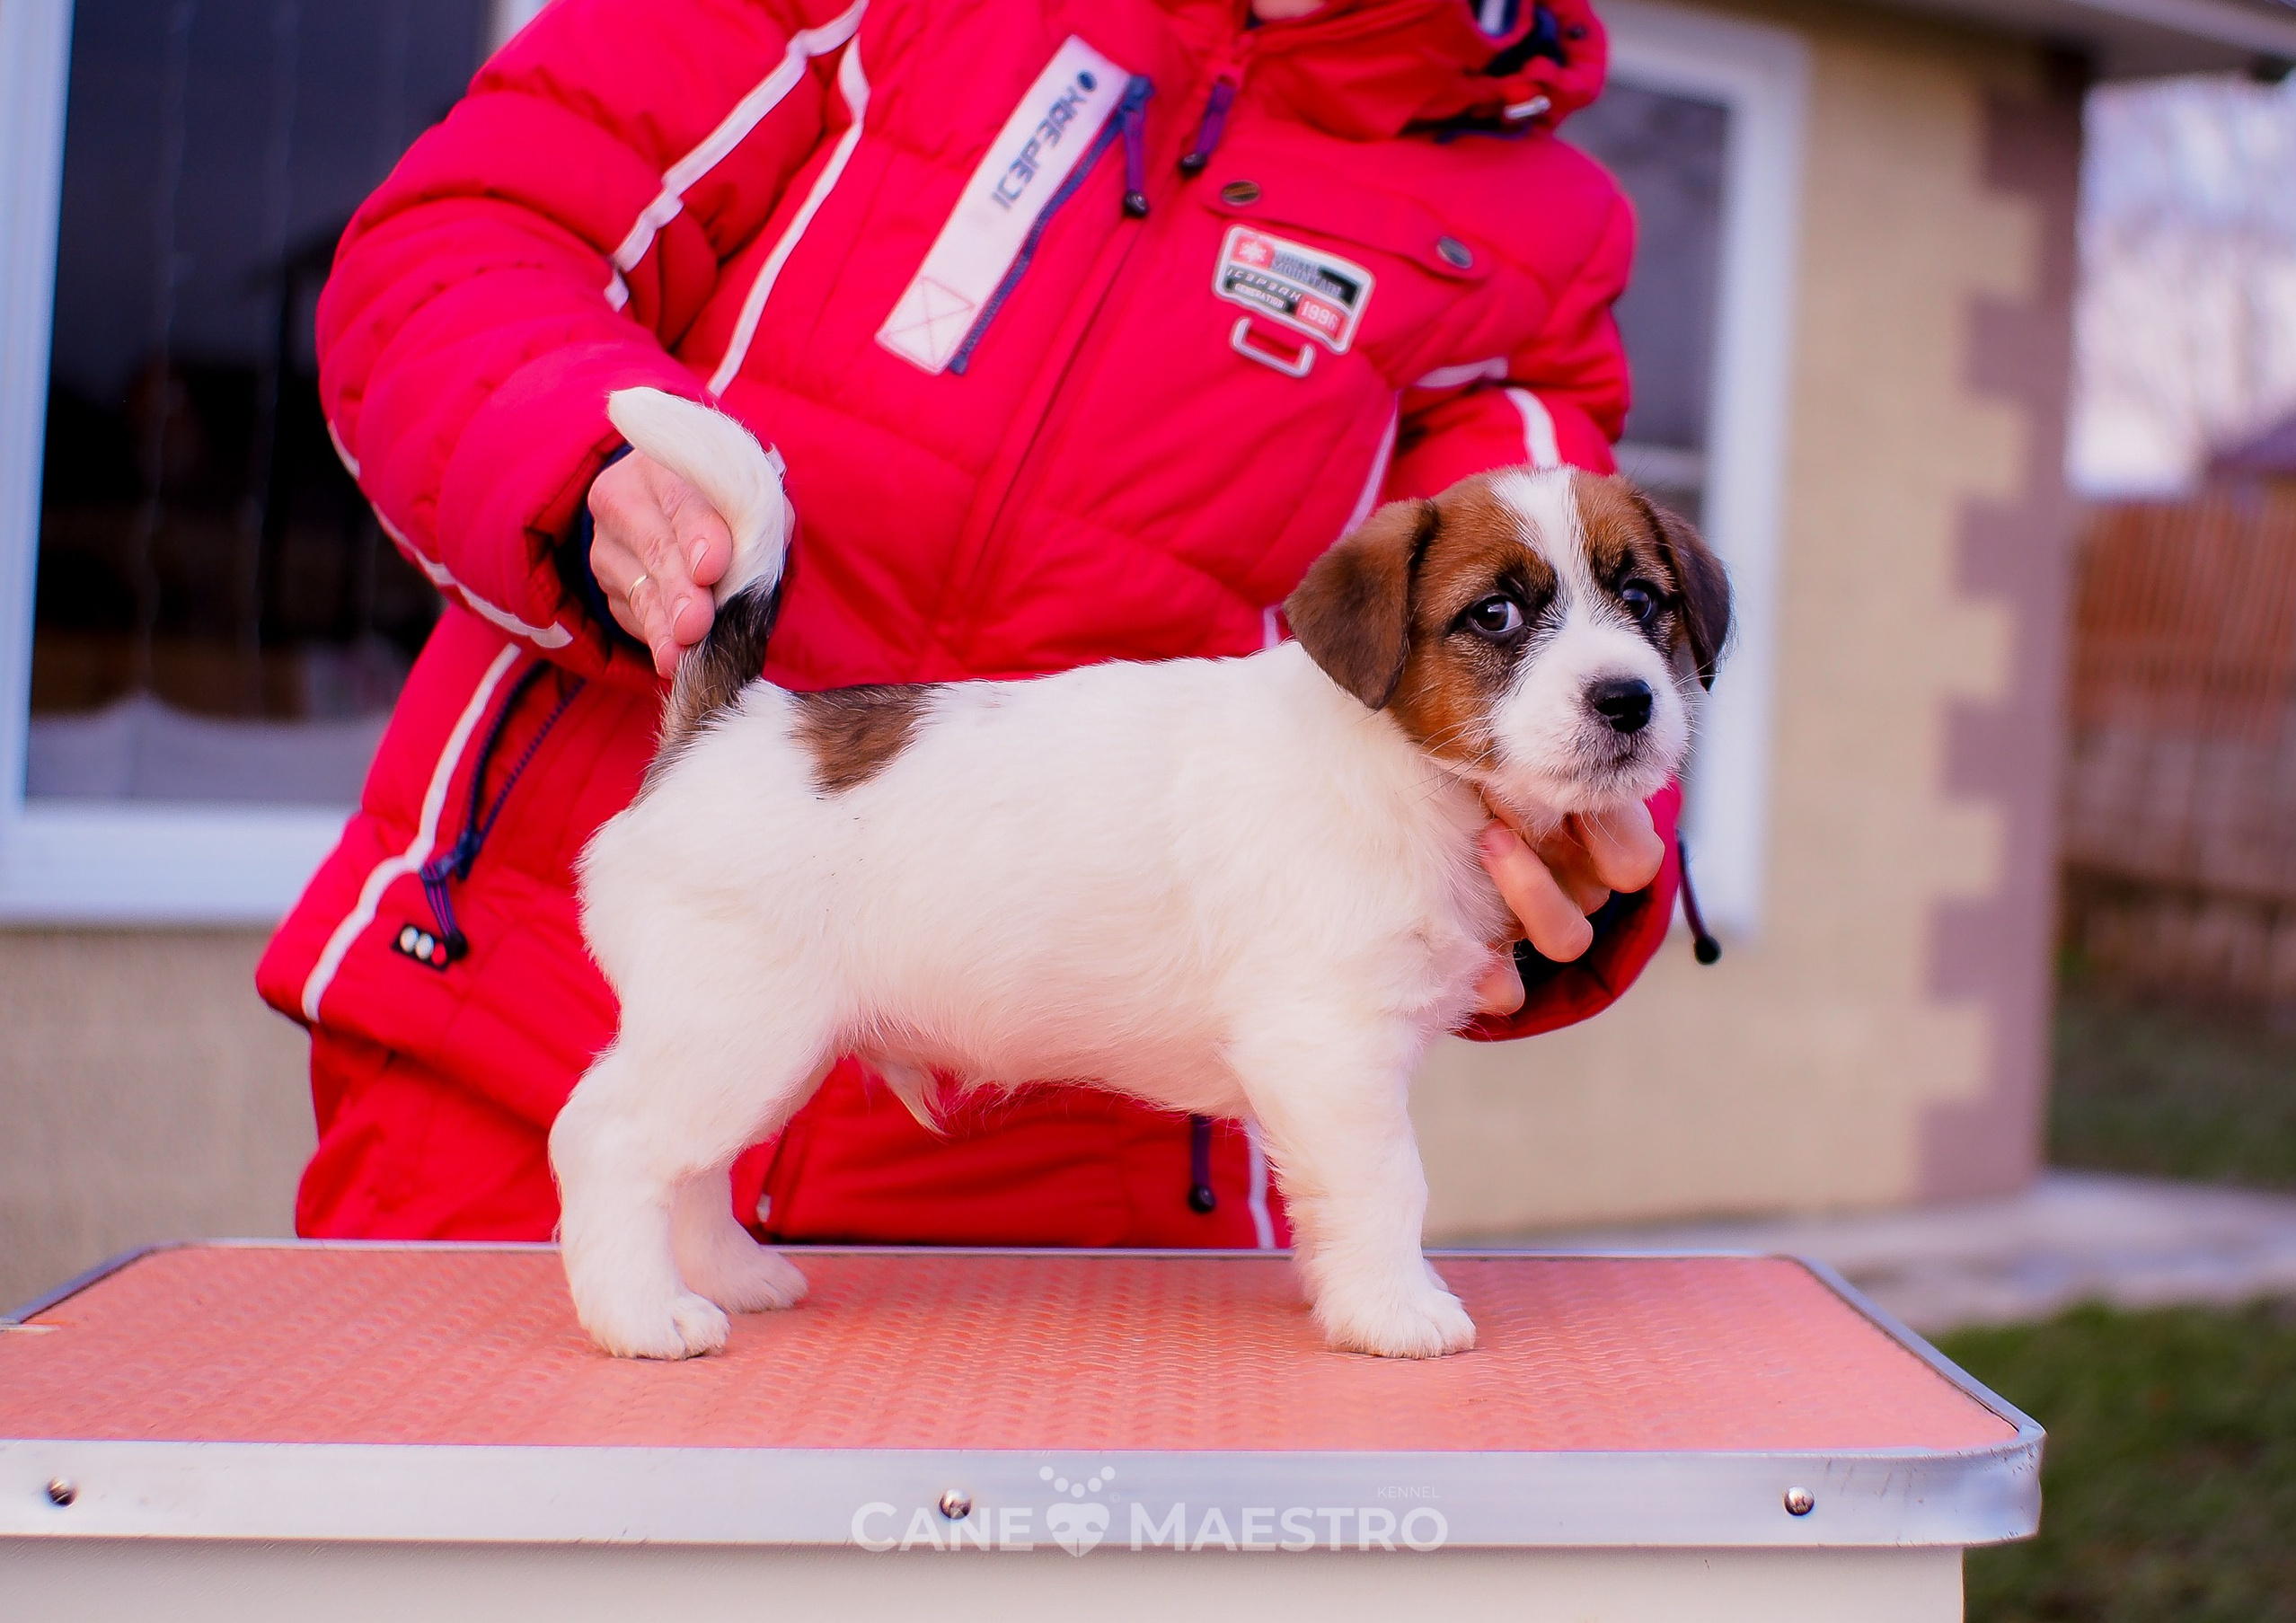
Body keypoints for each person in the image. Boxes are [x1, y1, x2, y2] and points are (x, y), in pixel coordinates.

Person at [256, 0, 1682, 1250]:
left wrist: (1561, 856)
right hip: (524, 1033)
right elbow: (475, 234)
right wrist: (582, 455)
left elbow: (1539, 601)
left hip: (1072, 1160)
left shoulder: (1538, 224)